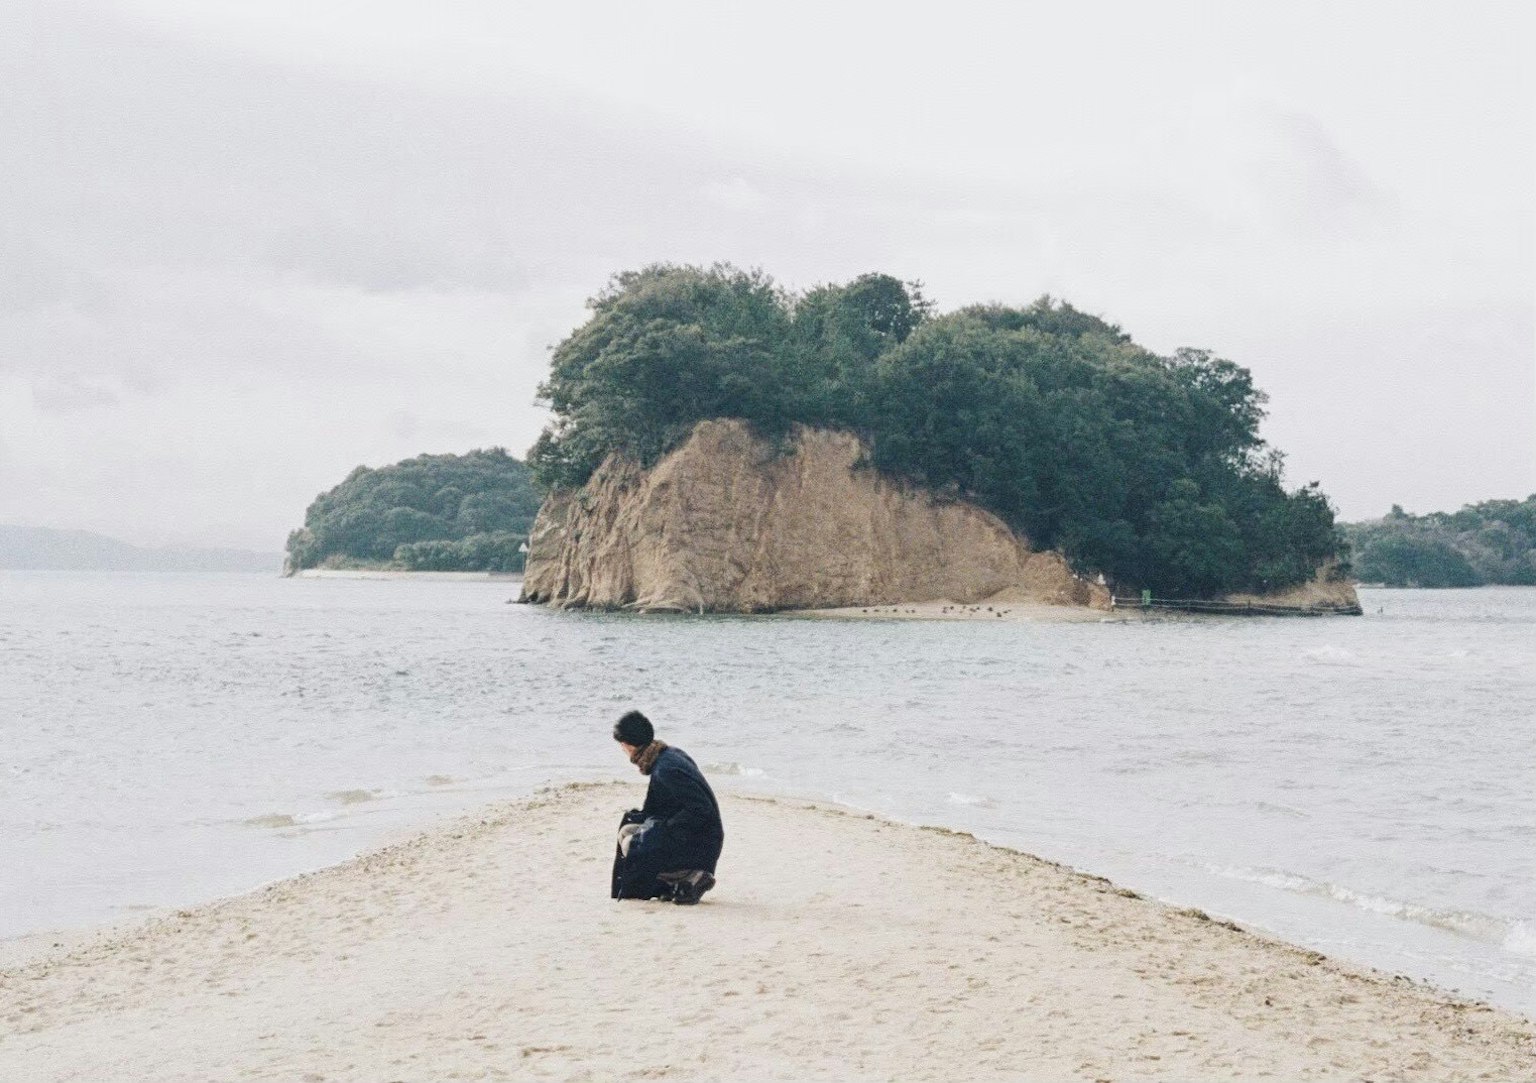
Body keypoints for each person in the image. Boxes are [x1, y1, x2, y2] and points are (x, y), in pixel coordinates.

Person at [610, 710, 723, 905]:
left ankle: (692, 876)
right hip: (697, 835)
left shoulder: (665, 769)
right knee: (628, 830)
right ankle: (675, 881)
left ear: (628, 745)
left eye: (622, 746)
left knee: (632, 843)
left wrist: (659, 829)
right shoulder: (667, 755)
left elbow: (700, 810)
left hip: (702, 843)